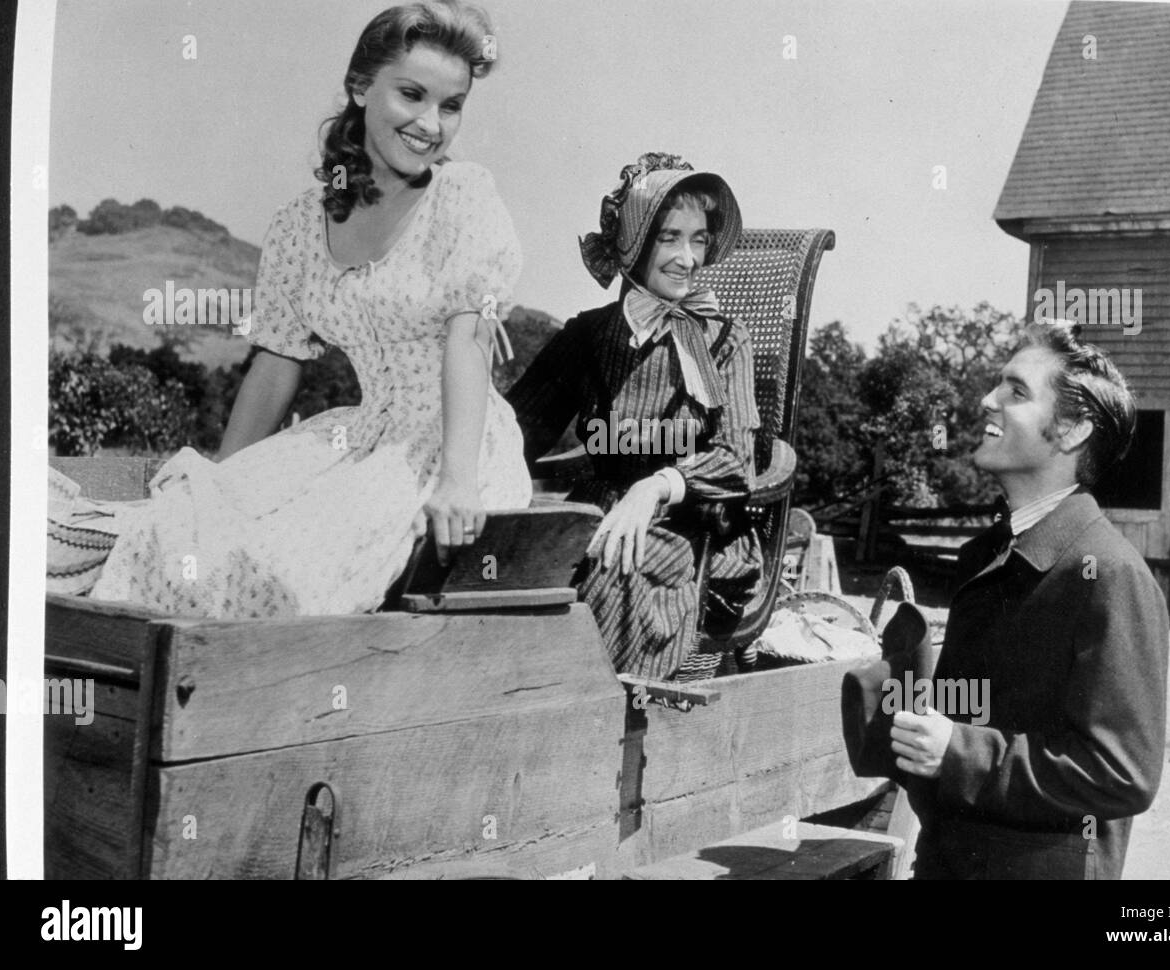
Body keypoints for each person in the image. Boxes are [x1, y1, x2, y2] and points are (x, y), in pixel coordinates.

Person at [47, 1, 530, 617]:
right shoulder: (301, 226)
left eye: (452, 105)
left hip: (458, 446)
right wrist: (221, 482)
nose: (430, 123)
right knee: (186, 529)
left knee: (288, 568)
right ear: (360, 87)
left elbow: (470, 342)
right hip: (357, 438)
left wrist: (457, 482)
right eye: (412, 95)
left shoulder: (465, 199)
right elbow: (276, 366)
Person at [867, 321, 1169, 879]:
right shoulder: (985, 555)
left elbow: (1122, 772)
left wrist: (956, 751)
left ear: (1072, 429)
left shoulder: (1110, 574)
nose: (989, 399)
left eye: (1017, 390)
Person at [507, 153, 762, 681]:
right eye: (669, 237)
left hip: (698, 526)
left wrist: (656, 487)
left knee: (609, 572)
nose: (687, 259)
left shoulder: (726, 339)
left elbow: (737, 459)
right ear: (633, 241)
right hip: (597, 511)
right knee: (507, 565)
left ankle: (604, 733)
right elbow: (515, 431)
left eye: (698, 239)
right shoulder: (588, 335)